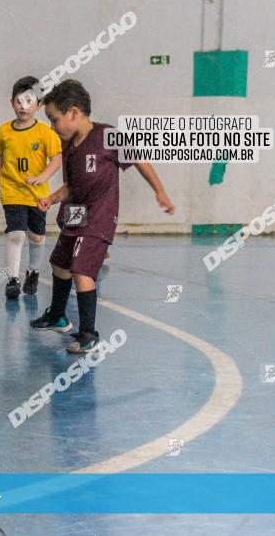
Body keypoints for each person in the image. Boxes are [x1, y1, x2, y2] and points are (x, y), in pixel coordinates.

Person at [29, 80, 175, 353]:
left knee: (81, 270)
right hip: (76, 212)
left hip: (100, 216)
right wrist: (52, 198)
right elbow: (72, 185)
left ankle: (88, 333)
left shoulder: (107, 135)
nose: (52, 126)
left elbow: (140, 160)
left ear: (74, 112)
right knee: (59, 263)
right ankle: (58, 316)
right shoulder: (69, 145)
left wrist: (160, 192)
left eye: (54, 119)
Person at [0, 76, 62, 299]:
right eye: (19, 101)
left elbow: (57, 159)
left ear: (38, 105)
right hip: (12, 190)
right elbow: (1, 157)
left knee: (36, 237)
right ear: (12, 102)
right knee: (16, 235)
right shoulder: (3, 131)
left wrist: (42, 177)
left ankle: (34, 271)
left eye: (29, 102)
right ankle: (12, 279)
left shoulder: (45, 133)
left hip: (37, 194)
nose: (24, 107)